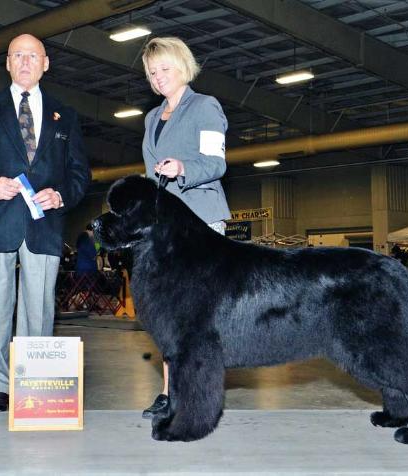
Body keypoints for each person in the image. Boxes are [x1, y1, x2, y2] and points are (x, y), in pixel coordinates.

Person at [0, 34, 90, 412]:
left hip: (44, 226)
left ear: (46, 63)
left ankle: (35, 383)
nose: (25, 62)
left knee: (39, 309)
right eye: (17, 55)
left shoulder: (67, 114)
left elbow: (80, 174)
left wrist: (61, 195)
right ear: (7, 63)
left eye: (33, 55)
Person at [140, 37, 231, 419]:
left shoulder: (205, 106)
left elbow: (216, 163)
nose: (159, 78)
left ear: (183, 66)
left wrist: (183, 169)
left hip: (202, 224)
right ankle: (169, 392)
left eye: (165, 69)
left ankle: (196, 396)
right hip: (166, 231)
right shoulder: (150, 118)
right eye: (152, 72)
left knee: (199, 318)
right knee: (170, 315)